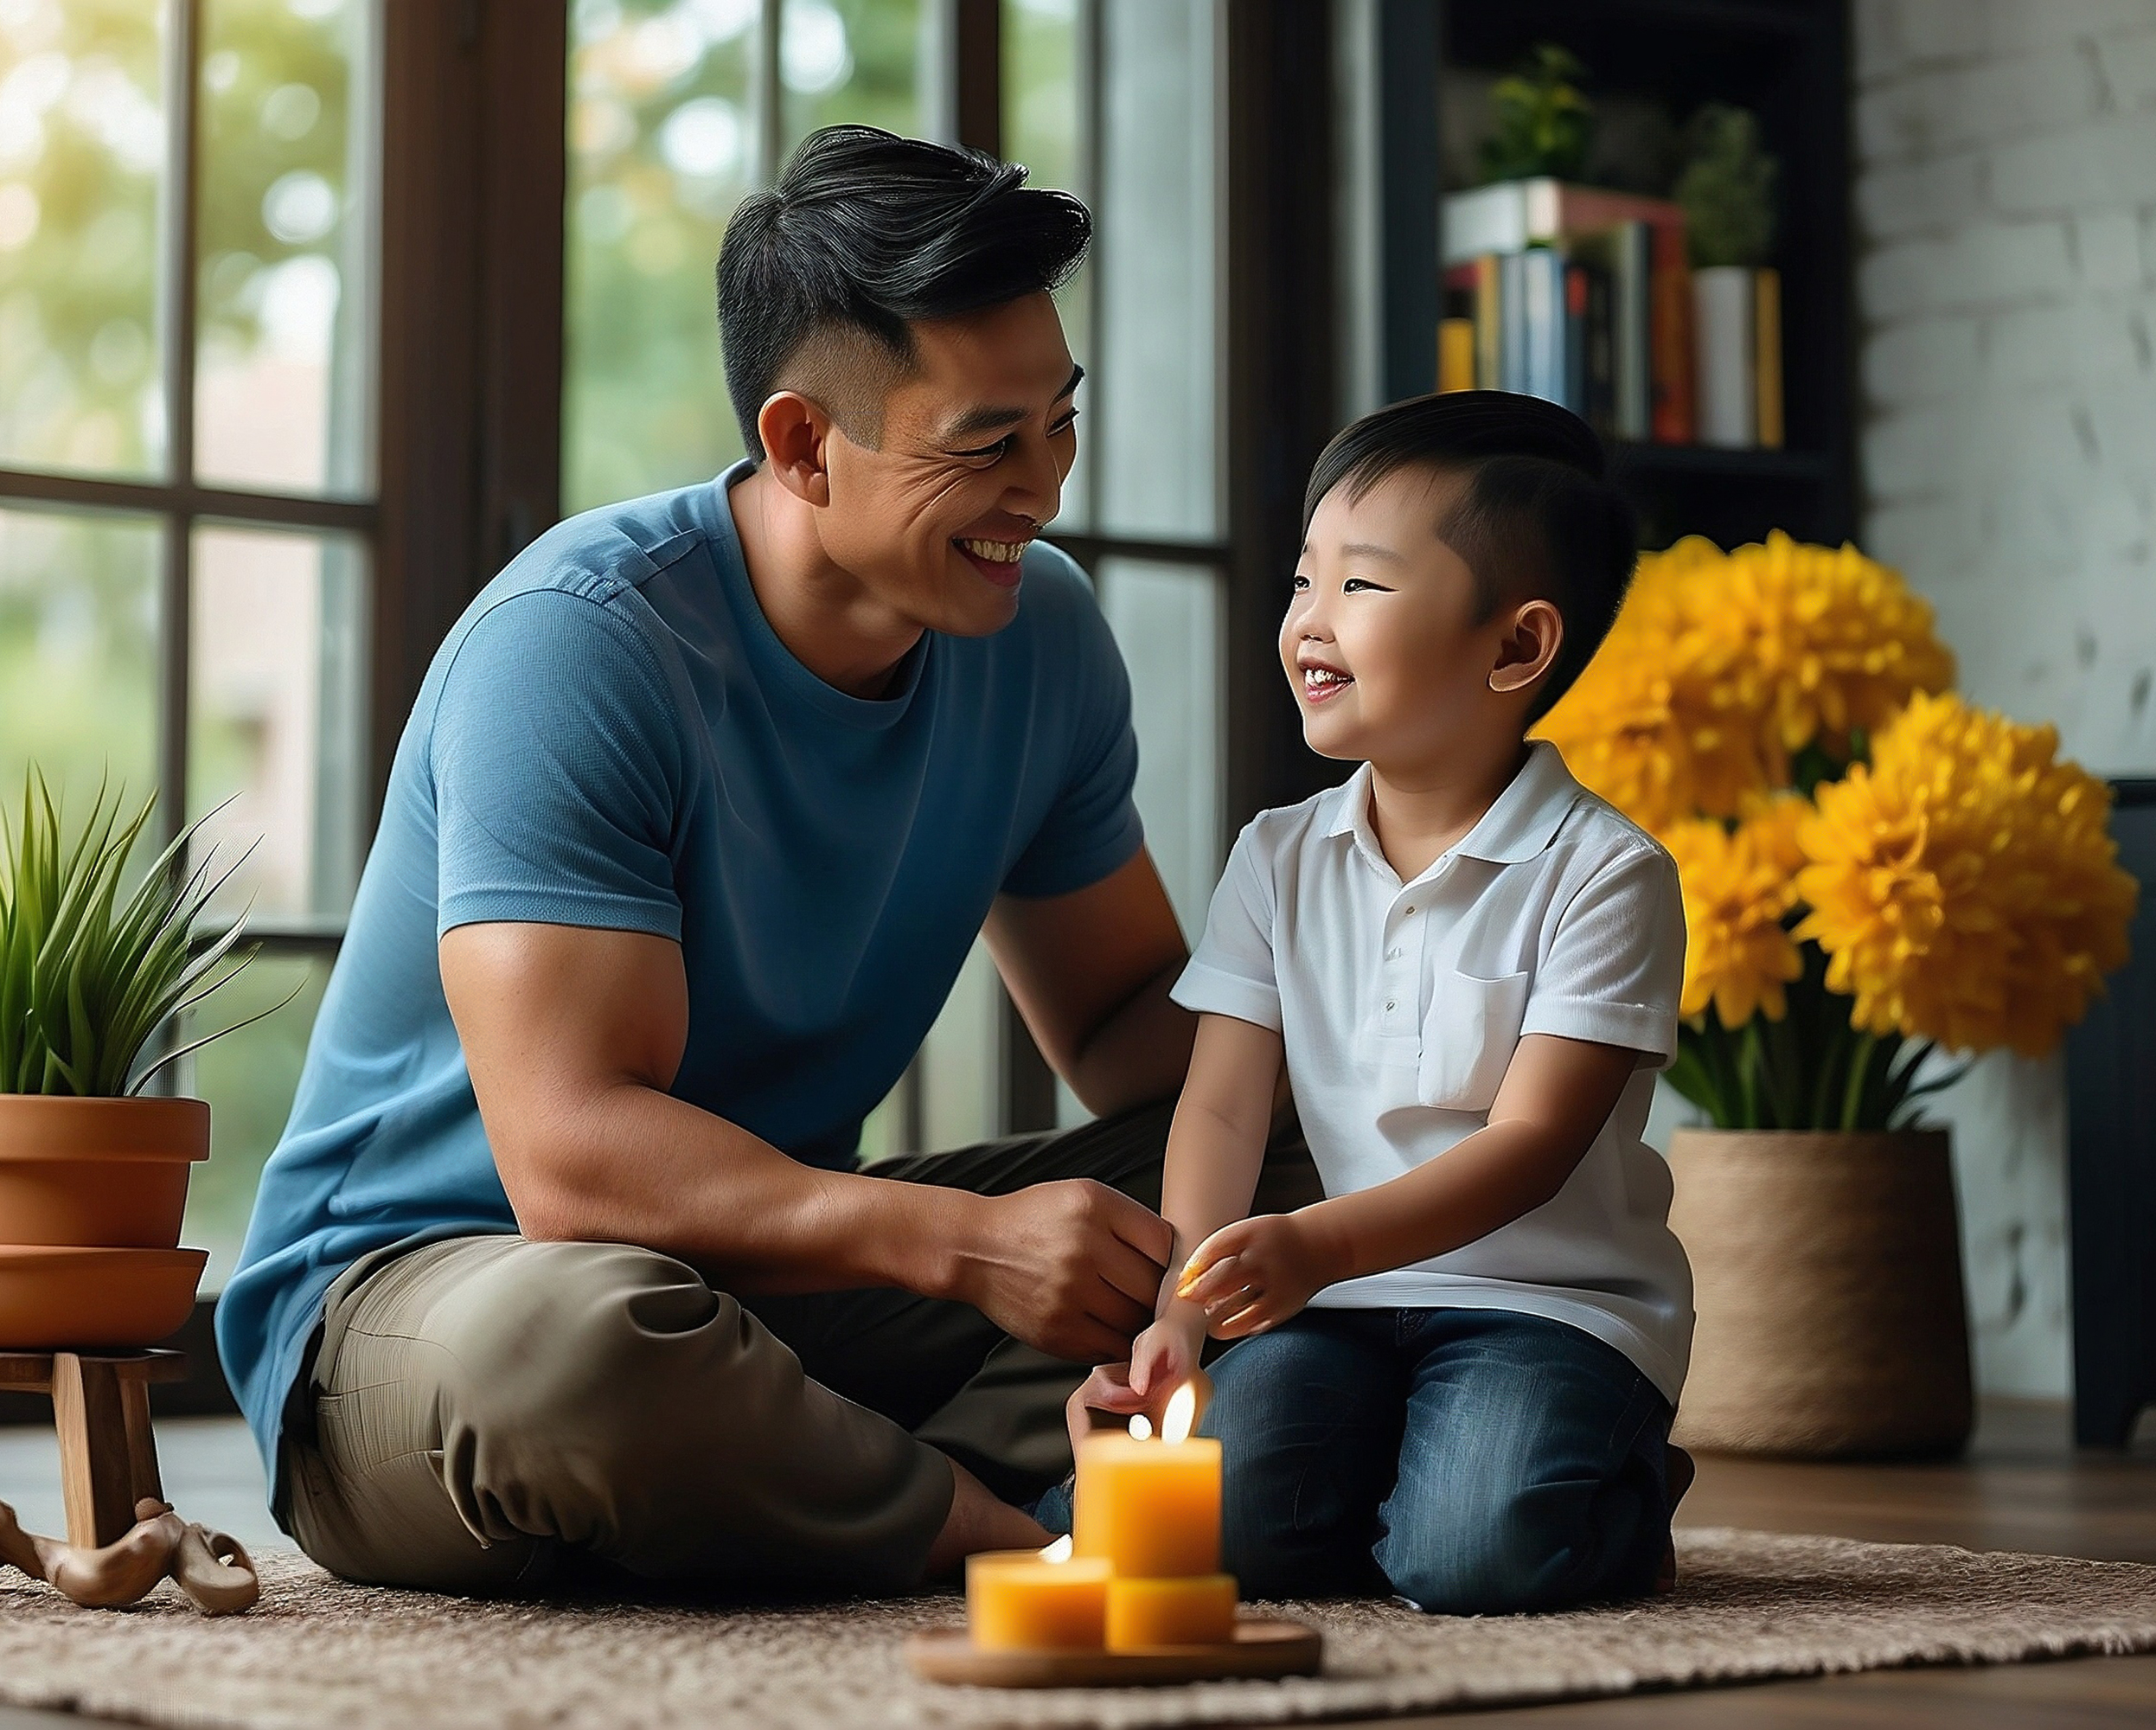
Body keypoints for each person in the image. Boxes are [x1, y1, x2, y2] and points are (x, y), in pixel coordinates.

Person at [214, 127, 1291, 1598]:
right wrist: (967, 1247)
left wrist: (1353, 987)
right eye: (985, 444)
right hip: (424, 1312)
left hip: (777, 1293)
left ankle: (832, 1489)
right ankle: (1020, 1528)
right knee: (588, 1352)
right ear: (801, 446)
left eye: (1060, 422)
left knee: (1301, 1161)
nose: (1043, 488)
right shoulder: (581, 645)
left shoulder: (1043, 642)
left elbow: (1123, 1037)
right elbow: (573, 1166)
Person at [1053, 391, 1696, 1615]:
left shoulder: (1610, 874)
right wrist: (1181, 1317)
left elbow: (1530, 1149)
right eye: (1304, 579)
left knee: (1478, 1556)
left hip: (1545, 1311)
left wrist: (1315, 1243)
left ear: (1516, 648)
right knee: (1213, 1527)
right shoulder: (1278, 857)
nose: (1308, 619)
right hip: (1341, 1304)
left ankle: (1621, 1485)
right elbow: (1223, 1115)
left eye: (1363, 586)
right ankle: (1388, 1480)